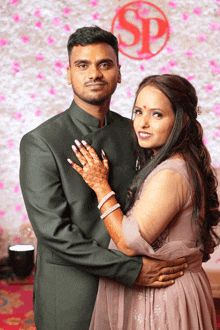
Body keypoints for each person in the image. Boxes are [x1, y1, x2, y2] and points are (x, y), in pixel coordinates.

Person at [19, 26, 187, 330]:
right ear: (69, 74)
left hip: (132, 292)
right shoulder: (41, 142)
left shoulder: (135, 131)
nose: (94, 73)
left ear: (119, 72)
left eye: (104, 64)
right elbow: (55, 233)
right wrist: (132, 269)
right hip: (72, 292)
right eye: (82, 65)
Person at [68, 74, 220, 329]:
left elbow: (127, 242)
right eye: (138, 111)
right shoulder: (172, 162)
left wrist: (100, 185)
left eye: (157, 114)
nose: (143, 123)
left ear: (181, 121)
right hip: (168, 290)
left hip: (167, 297)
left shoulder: (171, 173)